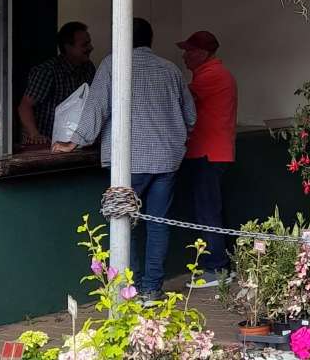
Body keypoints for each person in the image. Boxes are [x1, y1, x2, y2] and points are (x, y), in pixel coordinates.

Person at [54, 18, 196, 302]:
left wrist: (74, 141)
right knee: (158, 224)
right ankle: (152, 289)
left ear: (122, 36)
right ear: (150, 39)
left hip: (129, 160)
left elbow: (96, 107)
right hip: (166, 160)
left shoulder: (113, 64)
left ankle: (127, 292)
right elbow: (190, 116)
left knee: (123, 222)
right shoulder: (170, 69)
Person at [177, 30, 238, 287]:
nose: (184, 56)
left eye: (189, 51)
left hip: (208, 152)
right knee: (209, 208)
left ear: (202, 53)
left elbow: (180, 98)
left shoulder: (211, 75)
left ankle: (216, 269)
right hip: (212, 152)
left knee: (207, 210)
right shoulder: (212, 73)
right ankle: (220, 266)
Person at [17, 21, 95, 145]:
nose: (91, 47)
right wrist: (35, 134)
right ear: (68, 47)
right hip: (44, 144)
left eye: (89, 43)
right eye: (85, 44)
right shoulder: (48, 71)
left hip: (73, 143)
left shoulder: (88, 68)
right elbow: (25, 106)